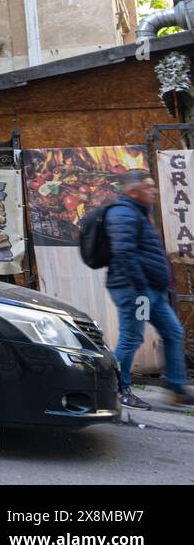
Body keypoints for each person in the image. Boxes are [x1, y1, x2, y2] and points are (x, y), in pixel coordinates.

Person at [104, 169, 194, 409]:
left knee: (173, 332)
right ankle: (117, 390)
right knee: (132, 337)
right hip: (137, 292)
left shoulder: (137, 213)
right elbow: (123, 253)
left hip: (151, 292)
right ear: (133, 191)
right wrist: (141, 287)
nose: (154, 191)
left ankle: (177, 388)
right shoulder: (123, 214)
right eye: (149, 186)